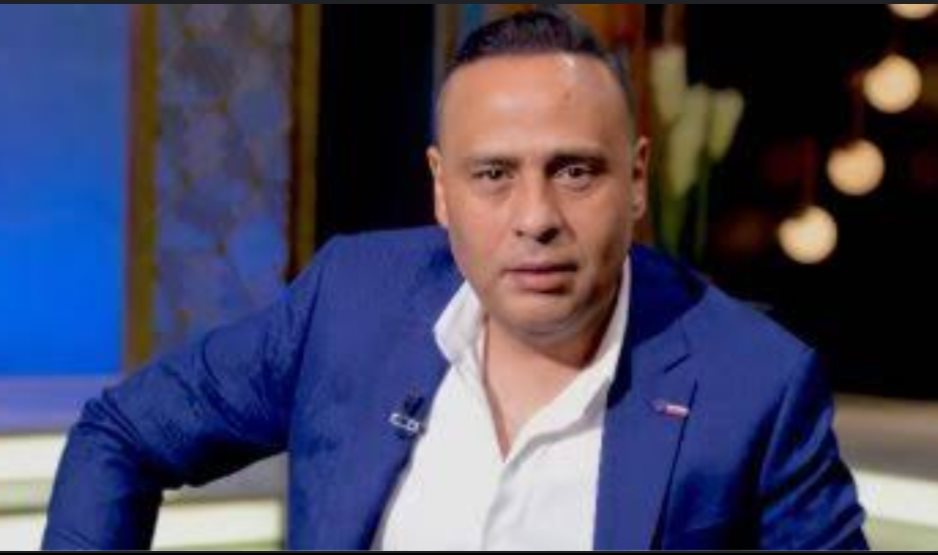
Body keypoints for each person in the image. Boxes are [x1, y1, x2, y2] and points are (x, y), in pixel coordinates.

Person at [44, 8, 867, 550]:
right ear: (441, 187)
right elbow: (121, 435)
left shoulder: (754, 384)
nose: (535, 216)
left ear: (638, 179)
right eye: (494, 175)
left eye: (575, 171)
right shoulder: (353, 300)